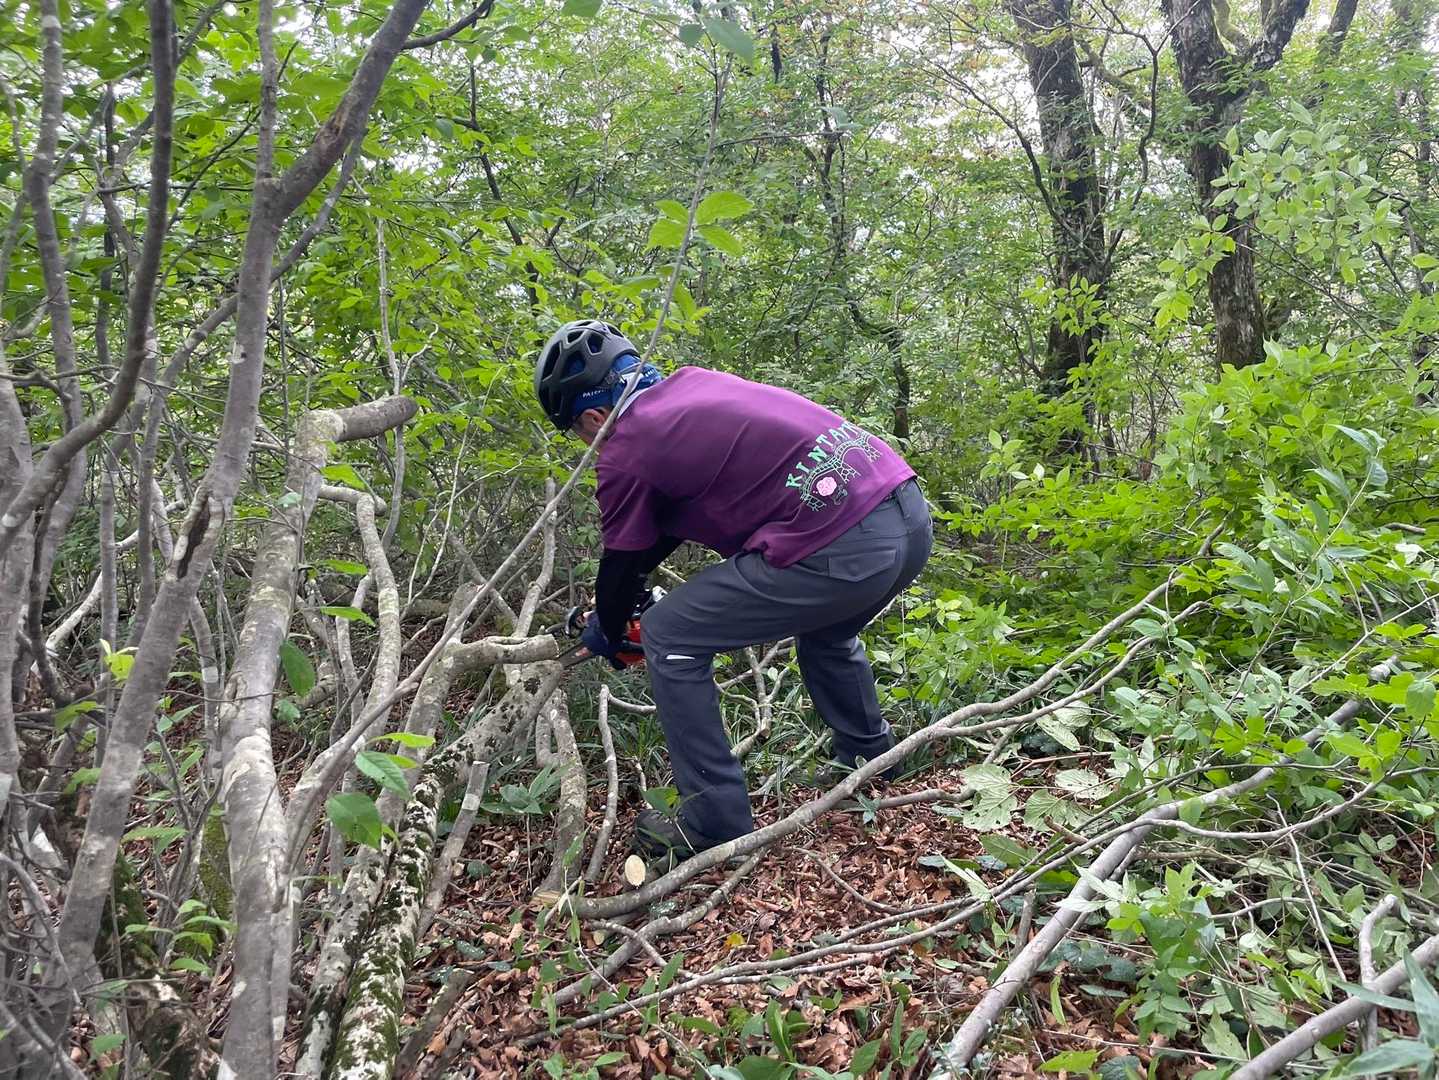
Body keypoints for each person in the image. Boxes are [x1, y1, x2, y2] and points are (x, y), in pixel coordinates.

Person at [534, 319, 933, 865]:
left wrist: (609, 625)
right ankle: (872, 758)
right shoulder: (693, 386)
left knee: (669, 633)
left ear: (593, 417)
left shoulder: (626, 446)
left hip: (847, 547)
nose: (585, 445)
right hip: (906, 517)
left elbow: (623, 561)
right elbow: (657, 534)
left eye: (577, 434)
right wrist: (614, 608)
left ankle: (713, 821)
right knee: (827, 634)